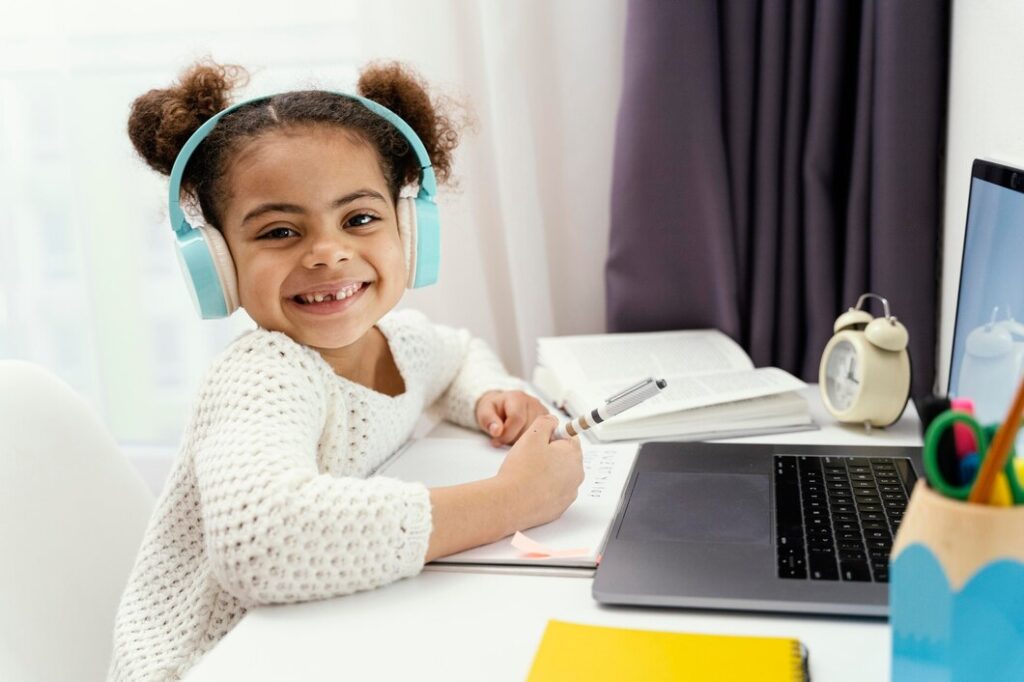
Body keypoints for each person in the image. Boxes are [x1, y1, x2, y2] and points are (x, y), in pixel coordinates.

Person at [109, 60, 584, 681]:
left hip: (324, 638)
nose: (328, 252)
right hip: (215, 662)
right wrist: (512, 500)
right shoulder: (263, 374)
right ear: (219, 262)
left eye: (359, 219)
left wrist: (490, 393)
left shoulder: (401, 341)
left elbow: (459, 354)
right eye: (280, 231)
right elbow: (263, 544)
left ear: (409, 230)